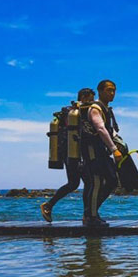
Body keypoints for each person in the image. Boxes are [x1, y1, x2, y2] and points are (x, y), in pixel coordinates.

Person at [41, 88, 95, 223]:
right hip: (71, 153)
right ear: (83, 97)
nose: (93, 102)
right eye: (91, 99)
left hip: (74, 152)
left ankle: (50, 205)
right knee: (86, 182)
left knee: (75, 183)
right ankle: (86, 215)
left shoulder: (80, 111)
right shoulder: (70, 112)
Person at [80, 79, 123, 227]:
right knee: (97, 183)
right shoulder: (95, 108)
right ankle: (91, 217)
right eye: (108, 90)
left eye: (114, 90)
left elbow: (110, 131)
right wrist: (114, 149)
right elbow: (100, 129)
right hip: (93, 151)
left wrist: (119, 143)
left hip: (102, 151)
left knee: (112, 180)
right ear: (100, 91)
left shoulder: (107, 109)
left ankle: (90, 212)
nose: (112, 93)